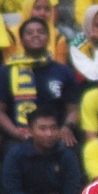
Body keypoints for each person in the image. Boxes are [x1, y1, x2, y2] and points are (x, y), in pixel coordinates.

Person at [0, 18, 82, 146]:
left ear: (48, 38)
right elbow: (1, 112)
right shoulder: (6, 72)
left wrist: (66, 127)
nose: (36, 35)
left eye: (41, 32)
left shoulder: (63, 71)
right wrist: (17, 134)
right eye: (30, 33)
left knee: (70, 151)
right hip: (18, 138)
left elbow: (73, 110)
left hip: (55, 136)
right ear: (21, 40)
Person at [5, 0, 66, 64]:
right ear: (27, 8)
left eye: (47, 9)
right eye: (37, 8)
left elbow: (59, 69)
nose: (43, 13)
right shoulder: (11, 35)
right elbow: (8, 67)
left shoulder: (58, 38)